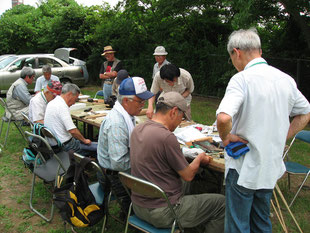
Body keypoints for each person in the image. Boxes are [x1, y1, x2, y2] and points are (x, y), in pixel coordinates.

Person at [216, 28, 310, 233]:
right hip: (269, 164)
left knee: (238, 226)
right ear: (259, 50)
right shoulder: (285, 80)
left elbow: (223, 117)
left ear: (236, 52)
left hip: (244, 166)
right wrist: (282, 135)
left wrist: (226, 137)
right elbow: (305, 113)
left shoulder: (242, 79)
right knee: (261, 222)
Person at [130, 91, 225, 233]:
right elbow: (187, 175)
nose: (180, 121)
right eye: (181, 117)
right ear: (174, 112)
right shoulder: (166, 137)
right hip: (163, 211)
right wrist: (199, 158)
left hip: (138, 206)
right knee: (222, 204)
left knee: (193, 186)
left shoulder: (137, 129)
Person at [97, 77, 154, 217]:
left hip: (117, 170)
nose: (143, 104)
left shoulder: (126, 114)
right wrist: (145, 161)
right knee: (158, 178)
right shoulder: (117, 123)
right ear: (126, 101)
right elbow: (119, 162)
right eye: (140, 101)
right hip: (115, 175)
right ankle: (133, 216)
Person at [44, 83, 97, 157]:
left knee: (91, 145)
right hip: (66, 146)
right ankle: (96, 167)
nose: (74, 103)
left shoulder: (52, 102)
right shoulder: (62, 106)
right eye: (75, 99)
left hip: (54, 143)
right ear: (69, 94)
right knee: (99, 148)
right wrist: (84, 140)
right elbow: (72, 131)